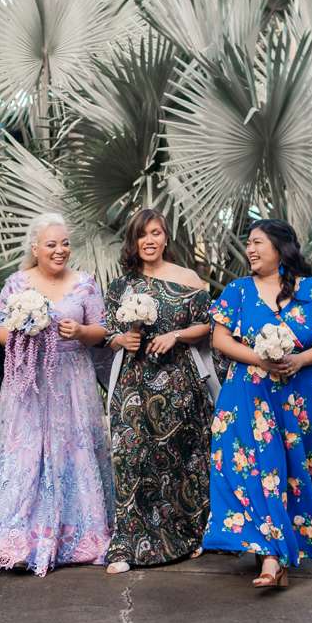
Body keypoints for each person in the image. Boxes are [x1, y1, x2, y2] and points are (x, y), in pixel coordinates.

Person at [200, 218, 312, 589]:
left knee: (295, 471)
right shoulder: (238, 291)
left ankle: (281, 553)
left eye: (257, 242)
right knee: (257, 472)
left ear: (281, 246)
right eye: (248, 243)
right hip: (248, 397)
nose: (250, 249)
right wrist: (259, 359)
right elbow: (219, 340)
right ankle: (271, 558)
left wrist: (300, 359)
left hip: (300, 399)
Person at [0, 213, 113, 575]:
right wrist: (22, 330)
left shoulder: (85, 284)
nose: (60, 250)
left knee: (73, 451)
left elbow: (102, 330)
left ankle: (78, 538)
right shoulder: (16, 284)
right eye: (51, 244)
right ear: (35, 248)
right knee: (25, 454)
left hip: (72, 380)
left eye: (65, 243)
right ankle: (16, 541)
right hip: (29, 381)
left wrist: (80, 332)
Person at [102, 209, 216, 573]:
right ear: (133, 241)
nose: (149, 240)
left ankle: (189, 535)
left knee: (179, 462)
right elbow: (108, 332)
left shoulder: (188, 279)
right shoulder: (121, 286)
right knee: (129, 460)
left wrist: (175, 335)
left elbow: (208, 326)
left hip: (179, 385)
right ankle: (127, 545)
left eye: (155, 233)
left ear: (166, 238)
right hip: (132, 385)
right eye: (142, 234)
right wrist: (122, 339)